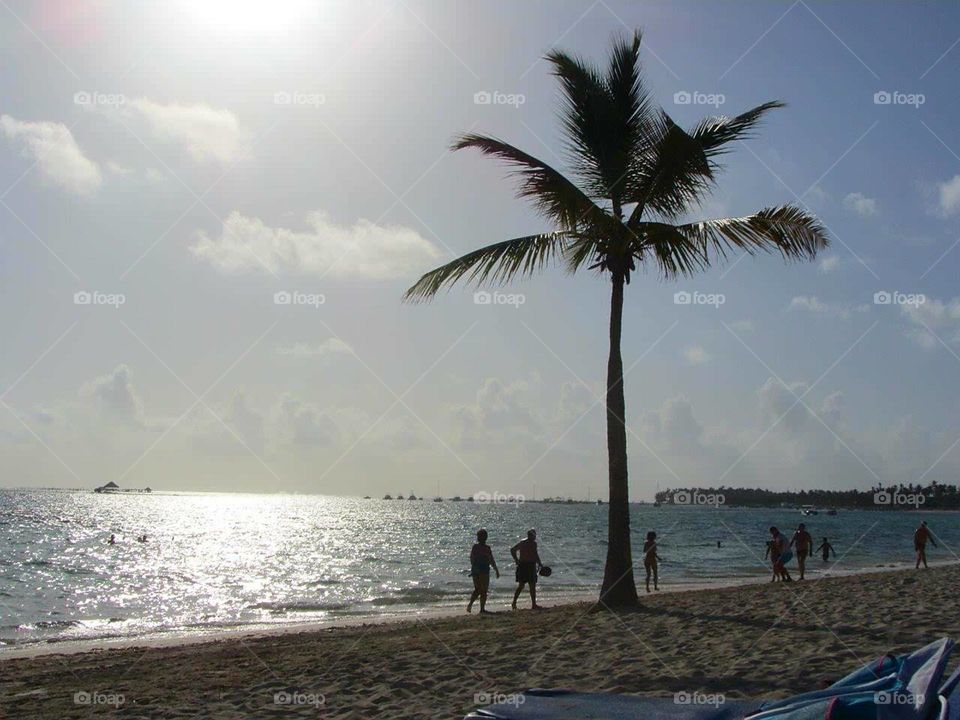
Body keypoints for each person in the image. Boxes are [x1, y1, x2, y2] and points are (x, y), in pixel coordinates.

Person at [467, 529, 499, 614]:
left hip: (480, 570)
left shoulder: (480, 547)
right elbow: (490, 560)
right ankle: (477, 607)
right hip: (481, 570)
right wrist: (496, 569)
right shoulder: (482, 548)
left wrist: (496, 569)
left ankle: (477, 607)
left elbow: (490, 559)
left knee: (479, 590)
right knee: (482, 590)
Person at [511, 529, 542, 610]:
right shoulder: (523, 542)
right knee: (521, 586)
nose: (534, 537)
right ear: (529, 535)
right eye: (533, 535)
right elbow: (512, 550)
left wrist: (540, 563)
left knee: (532, 586)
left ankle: (534, 604)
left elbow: (535, 554)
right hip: (523, 565)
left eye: (534, 535)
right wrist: (516, 560)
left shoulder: (534, 543)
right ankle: (514, 602)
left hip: (531, 565)